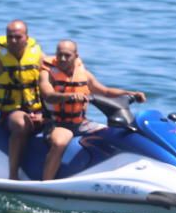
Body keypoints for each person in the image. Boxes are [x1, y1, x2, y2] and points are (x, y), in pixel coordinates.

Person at [39, 39, 146, 181]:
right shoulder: (47, 74)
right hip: (57, 124)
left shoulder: (84, 74)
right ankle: (47, 183)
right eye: (60, 55)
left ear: (76, 55)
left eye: (67, 55)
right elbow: (49, 95)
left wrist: (130, 93)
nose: (63, 59)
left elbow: (105, 91)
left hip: (81, 123)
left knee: (115, 134)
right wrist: (68, 96)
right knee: (60, 143)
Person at [0, 20, 46, 180]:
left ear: (26, 38)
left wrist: (44, 114)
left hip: (37, 110)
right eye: (10, 37)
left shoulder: (39, 57)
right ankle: (13, 175)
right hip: (11, 113)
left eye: (18, 37)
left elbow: (48, 88)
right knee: (20, 124)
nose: (13, 41)